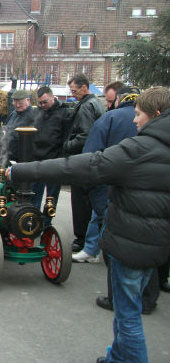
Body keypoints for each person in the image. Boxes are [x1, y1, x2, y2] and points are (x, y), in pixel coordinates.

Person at [6, 86, 170, 363]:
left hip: (131, 243)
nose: (134, 121)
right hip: (156, 245)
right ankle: (118, 360)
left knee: (127, 312)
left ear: (156, 115)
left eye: (138, 114)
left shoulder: (141, 148)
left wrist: (21, 170)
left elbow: (81, 166)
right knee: (129, 304)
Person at [73, 87, 139, 264]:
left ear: (118, 100)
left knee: (101, 215)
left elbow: (91, 154)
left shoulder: (109, 118)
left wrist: (88, 185)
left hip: (109, 179)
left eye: (110, 102)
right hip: (140, 183)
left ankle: (93, 250)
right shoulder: (152, 119)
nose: (108, 105)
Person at [64, 73, 104, 252]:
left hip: (82, 160)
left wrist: (66, 145)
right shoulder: (95, 103)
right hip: (93, 159)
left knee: (81, 203)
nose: (72, 94)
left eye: (74, 91)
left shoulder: (86, 106)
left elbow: (84, 136)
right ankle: (91, 239)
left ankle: (82, 239)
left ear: (84, 87)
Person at [31, 86, 69, 227]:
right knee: (34, 194)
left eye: (45, 102)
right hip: (37, 160)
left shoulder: (64, 113)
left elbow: (66, 138)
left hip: (54, 161)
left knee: (51, 197)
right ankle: (33, 221)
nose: (42, 105)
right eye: (40, 103)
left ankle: (46, 223)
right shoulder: (37, 112)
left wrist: (62, 159)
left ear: (53, 97)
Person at [3, 89, 35, 165]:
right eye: (15, 102)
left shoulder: (34, 115)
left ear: (28, 100)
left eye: (21, 103)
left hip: (23, 160)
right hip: (9, 157)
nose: (17, 105)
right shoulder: (13, 113)